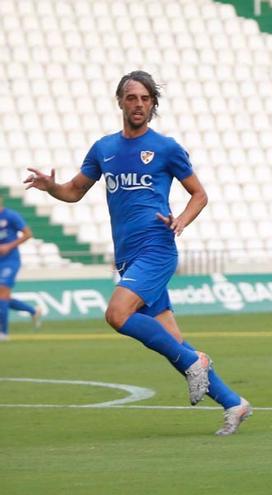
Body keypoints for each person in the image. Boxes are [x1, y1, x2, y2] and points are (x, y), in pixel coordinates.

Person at [23, 70, 252, 435]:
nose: (139, 104)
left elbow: (200, 194)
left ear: (153, 104)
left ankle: (195, 361)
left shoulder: (165, 148)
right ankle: (233, 403)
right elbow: (74, 191)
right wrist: (51, 187)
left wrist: (181, 221)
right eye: (132, 98)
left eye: (145, 98)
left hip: (157, 249)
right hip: (128, 256)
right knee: (172, 340)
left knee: (116, 314)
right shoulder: (104, 149)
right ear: (120, 101)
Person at [0, 197, 43, 340]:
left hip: (10, 261)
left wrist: (9, 246)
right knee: (3, 297)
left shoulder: (11, 216)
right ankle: (33, 311)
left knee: (2, 292)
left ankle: (3, 333)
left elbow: (28, 234)